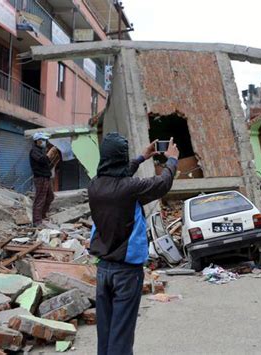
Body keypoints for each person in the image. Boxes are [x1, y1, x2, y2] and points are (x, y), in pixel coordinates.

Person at [88, 133, 179, 355]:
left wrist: (141, 158)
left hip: (103, 271)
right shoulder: (131, 189)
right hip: (126, 273)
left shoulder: (95, 186)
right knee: (121, 337)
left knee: (106, 334)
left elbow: (116, 175)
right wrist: (172, 159)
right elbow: (163, 183)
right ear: (121, 157)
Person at [30, 132, 55, 227]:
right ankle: (37, 221)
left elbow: (47, 162)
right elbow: (42, 160)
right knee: (40, 198)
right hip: (40, 177)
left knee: (50, 196)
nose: (44, 142)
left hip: (46, 177)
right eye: (43, 140)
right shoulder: (34, 151)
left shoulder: (41, 150)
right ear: (37, 141)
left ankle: (42, 216)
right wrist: (49, 154)